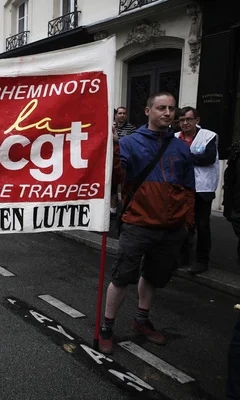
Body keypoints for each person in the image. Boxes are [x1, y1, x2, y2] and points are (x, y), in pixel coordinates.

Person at [98, 92, 195, 354]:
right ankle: (106, 326)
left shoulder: (181, 148)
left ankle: (141, 320)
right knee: (121, 277)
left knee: (153, 277)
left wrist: (187, 223)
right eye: (161, 108)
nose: (167, 113)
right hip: (138, 224)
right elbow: (118, 177)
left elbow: (188, 188)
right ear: (147, 111)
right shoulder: (131, 143)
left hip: (171, 228)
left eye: (171, 109)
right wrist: (115, 147)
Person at [175, 107, 219, 274]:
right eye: (182, 120)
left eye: (189, 119)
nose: (185, 123)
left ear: (197, 121)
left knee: (202, 225)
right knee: (182, 223)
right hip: (181, 187)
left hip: (202, 189)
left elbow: (207, 158)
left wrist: (183, 157)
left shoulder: (209, 136)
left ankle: (202, 261)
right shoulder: (174, 138)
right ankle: (183, 256)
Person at [110, 107, 136, 216]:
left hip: (126, 161)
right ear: (115, 115)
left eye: (124, 113)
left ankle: (127, 210)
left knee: (126, 186)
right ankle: (113, 211)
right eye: (120, 113)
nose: (122, 115)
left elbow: (132, 144)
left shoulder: (132, 128)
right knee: (113, 187)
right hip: (112, 161)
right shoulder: (110, 127)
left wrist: (117, 140)